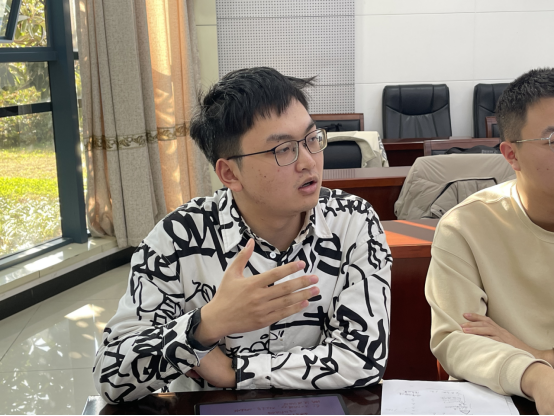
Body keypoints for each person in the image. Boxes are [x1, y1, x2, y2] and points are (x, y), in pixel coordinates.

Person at [93, 67, 392, 404]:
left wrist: (235, 371)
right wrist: (207, 324)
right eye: (283, 150)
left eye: (312, 139)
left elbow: (364, 359)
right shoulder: (178, 238)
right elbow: (110, 376)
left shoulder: (352, 221)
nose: (309, 162)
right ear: (230, 173)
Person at [425, 68, 554, 415]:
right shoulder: (466, 226)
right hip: (508, 399)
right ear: (511, 155)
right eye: (553, 140)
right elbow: (456, 341)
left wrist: (535, 352)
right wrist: (535, 374)